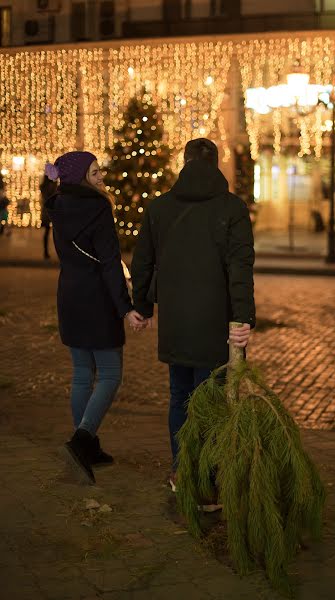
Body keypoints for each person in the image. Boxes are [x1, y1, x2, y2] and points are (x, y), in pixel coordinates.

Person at [131, 138, 255, 494]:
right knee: (211, 399)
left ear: (183, 163)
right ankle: (210, 477)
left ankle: (182, 469)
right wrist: (243, 317)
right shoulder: (232, 208)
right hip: (215, 323)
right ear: (216, 164)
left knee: (179, 395)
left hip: (176, 322)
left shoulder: (159, 208)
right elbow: (240, 266)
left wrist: (142, 306)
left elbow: (143, 263)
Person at [45, 151, 145, 485]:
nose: (101, 176)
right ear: (80, 177)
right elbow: (109, 262)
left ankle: (89, 447)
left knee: (82, 373)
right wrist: (125, 307)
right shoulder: (98, 207)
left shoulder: (57, 205)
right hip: (97, 300)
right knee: (111, 373)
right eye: (95, 172)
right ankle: (82, 440)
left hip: (69, 296)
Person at [39, 174, 57, 259]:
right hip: (52, 210)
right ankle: (48, 252)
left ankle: (45, 252)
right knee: (55, 233)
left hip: (46, 210)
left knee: (47, 232)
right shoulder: (52, 185)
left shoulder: (43, 186)